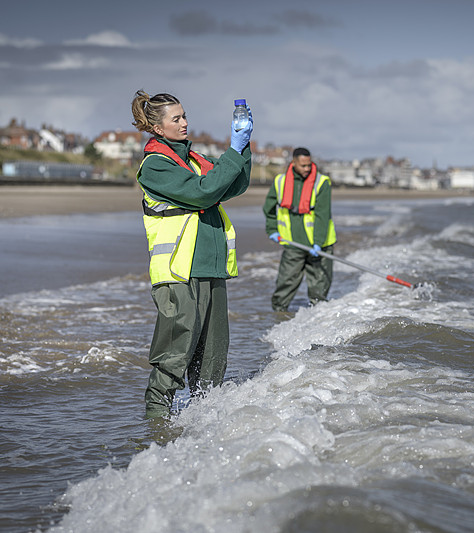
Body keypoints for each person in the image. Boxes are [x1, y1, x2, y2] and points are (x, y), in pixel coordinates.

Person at [130, 90, 252, 419]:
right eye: (177, 119)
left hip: (211, 268)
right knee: (174, 355)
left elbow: (234, 185)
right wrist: (233, 150)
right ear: (157, 128)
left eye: (185, 116)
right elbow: (202, 193)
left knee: (212, 359)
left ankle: (201, 426)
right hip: (179, 272)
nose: (185, 123)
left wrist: (243, 148)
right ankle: (156, 428)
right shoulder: (156, 166)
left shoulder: (194, 160)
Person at [263, 147, 336, 311]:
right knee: (284, 285)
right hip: (292, 243)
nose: (307, 169)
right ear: (293, 162)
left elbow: (322, 215)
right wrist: (272, 229)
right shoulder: (280, 181)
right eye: (303, 165)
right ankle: (278, 317)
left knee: (319, 290)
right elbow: (269, 208)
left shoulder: (322, 182)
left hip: (319, 245)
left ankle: (318, 319)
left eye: (309, 165)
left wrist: (318, 242)